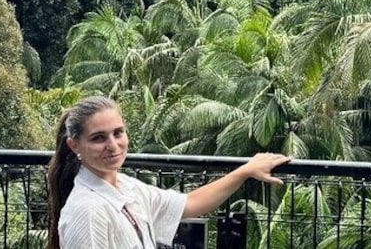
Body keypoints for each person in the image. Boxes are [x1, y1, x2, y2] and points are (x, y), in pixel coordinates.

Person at [47, 96, 290, 249]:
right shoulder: (87, 210)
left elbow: (190, 203)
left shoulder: (126, 188)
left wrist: (245, 171)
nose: (113, 145)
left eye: (118, 133)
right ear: (74, 145)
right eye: (98, 138)